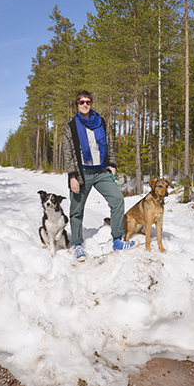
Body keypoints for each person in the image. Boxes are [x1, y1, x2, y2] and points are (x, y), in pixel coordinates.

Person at [63, 90, 135, 261]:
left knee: (117, 200)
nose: (85, 104)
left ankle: (117, 240)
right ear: (77, 105)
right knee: (76, 210)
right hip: (82, 172)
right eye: (82, 102)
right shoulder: (71, 126)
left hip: (101, 171)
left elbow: (108, 143)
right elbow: (68, 153)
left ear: (91, 103)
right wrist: (73, 176)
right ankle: (78, 245)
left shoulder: (100, 121)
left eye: (88, 101)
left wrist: (112, 163)